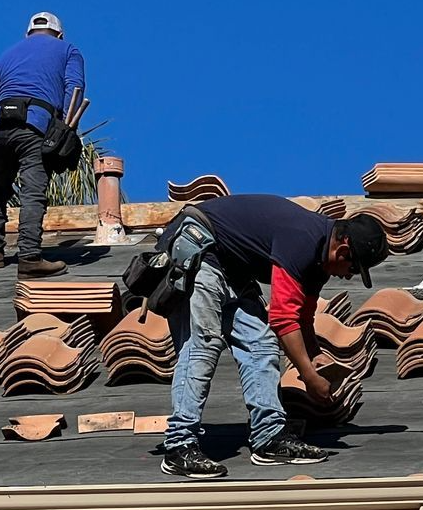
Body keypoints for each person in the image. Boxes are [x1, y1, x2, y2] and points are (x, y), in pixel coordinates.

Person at [160, 196, 389, 479]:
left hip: (233, 267)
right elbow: (282, 317)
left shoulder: (320, 263)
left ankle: (269, 439)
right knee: (203, 344)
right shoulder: (302, 239)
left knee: (261, 344)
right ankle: (179, 446)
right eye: (353, 269)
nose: (349, 277)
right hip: (199, 247)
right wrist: (308, 375)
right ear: (343, 249)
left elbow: (302, 318)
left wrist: (316, 356)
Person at [0, 12, 85, 276]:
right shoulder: (68, 49)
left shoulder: (6, 55)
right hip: (34, 125)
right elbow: (74, 90)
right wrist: (64, 131)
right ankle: (29, 257)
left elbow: (0, 94)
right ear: (59, 34)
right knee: (33, 191)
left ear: (28, 34)